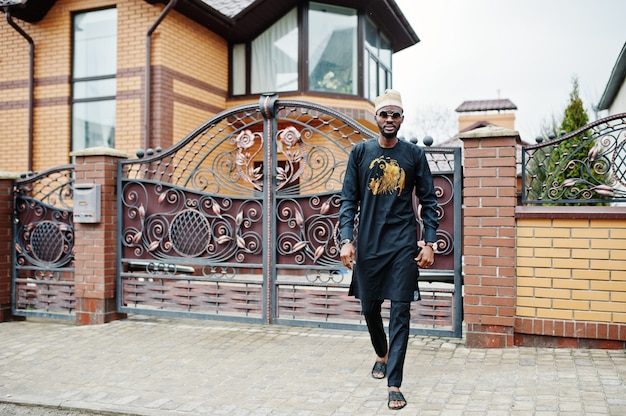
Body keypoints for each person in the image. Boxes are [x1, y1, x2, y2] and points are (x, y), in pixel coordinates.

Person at [338, 89, 439, 411]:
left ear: (402, 119)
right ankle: (381, 353)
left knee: (400, 313)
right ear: (376, 117)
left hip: (402, 245)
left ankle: (394, 383)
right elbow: (348, 200)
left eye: (395, 114)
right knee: (369, 309)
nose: (390, 120)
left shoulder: (413, 155)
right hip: (368, 244)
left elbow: (430, 201)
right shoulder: (360, 152)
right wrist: (345, 239)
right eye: (385, 114)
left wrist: (430, 241)